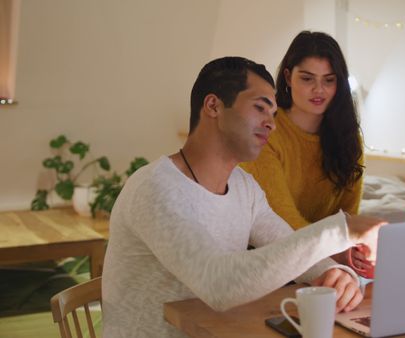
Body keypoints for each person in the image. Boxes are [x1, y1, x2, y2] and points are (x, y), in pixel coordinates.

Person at [102, 57, 385, 338]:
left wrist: (338, 273)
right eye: (260, 108)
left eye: (273, 114)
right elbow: (219, 284)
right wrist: (344, 229)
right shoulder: (154, 187)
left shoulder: (244, 187)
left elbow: (288, 244)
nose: (271, 124)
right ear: (213, 106)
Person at [240, 31, 370, 275]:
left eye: (329, 80)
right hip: (266, 261)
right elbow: (282, 224)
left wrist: (352, 251)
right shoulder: (266, 133)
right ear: (288, 77)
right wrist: (335, 251)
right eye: (308, 79)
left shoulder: (349, 139)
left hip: (323, 261)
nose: (318, 90)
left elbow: (347, 217)